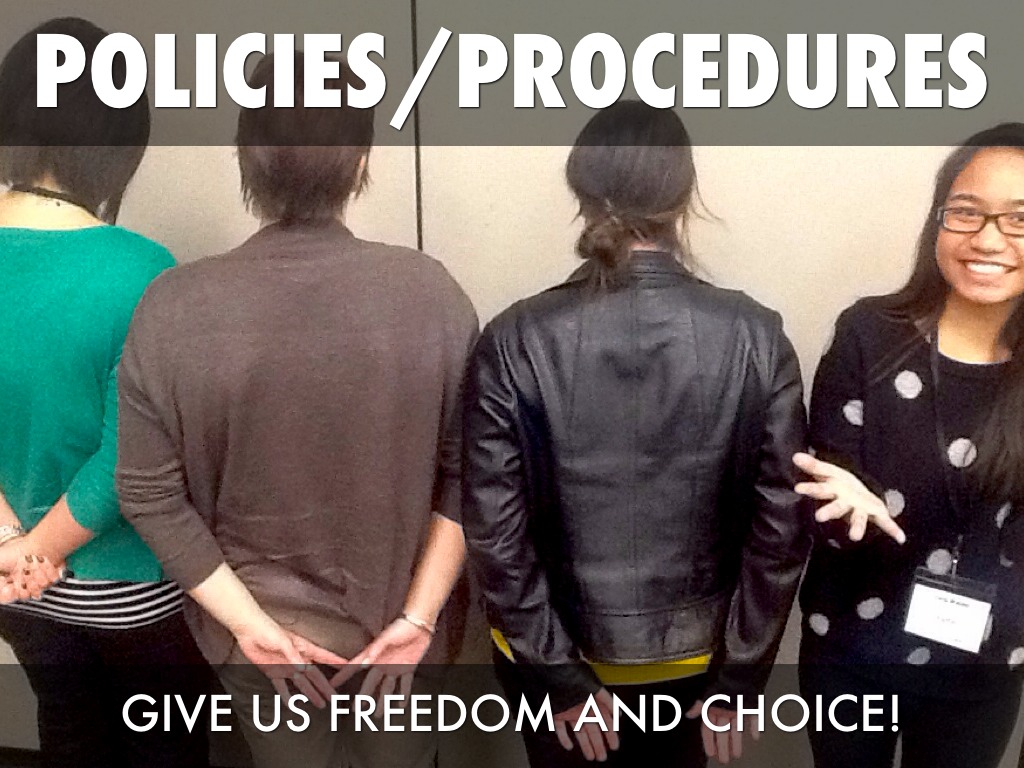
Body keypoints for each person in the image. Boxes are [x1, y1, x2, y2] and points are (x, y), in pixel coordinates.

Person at [115, 50, 478, 768]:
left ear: (246, 161)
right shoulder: (433, 294)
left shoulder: (173, 305)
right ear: (361, 161)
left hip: (261, 644)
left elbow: (147, 494)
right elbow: (475, 474)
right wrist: (418, 618)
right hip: (402, 641)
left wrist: (251, 629)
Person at [462, 100, 811, 767]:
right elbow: (782, 529)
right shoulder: (756, 337)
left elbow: (495, 534)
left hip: (556, 668)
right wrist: (739, 678)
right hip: (697, 669)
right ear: (683, 197)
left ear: (580, 191)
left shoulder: (513, 339)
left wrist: (560, 679)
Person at [0, 17, 211, 768]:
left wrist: (13, 548)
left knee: (68, 730)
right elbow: (132, 458)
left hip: (14, 585)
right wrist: (40, 550)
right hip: (125, 585)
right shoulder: (143, 269)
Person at [794, 124, 1024, 768]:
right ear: (938, 221)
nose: (988, 239)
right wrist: (842, 513)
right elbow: (818, 501)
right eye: (967, 212)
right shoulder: (869, 334)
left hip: (984, 667)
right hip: (852, 648)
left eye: (1019, 220)